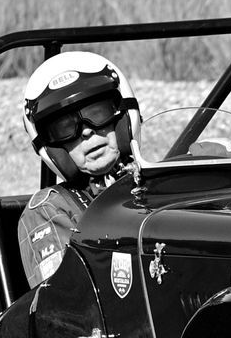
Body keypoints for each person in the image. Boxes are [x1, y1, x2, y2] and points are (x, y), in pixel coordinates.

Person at [16, 51, 140, 287]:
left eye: (98, 114)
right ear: (55, 149)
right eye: (66, 127)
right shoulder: (50, 209)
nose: (86, 131)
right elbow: (67, 299)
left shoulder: (156, 183)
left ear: (122, 117)